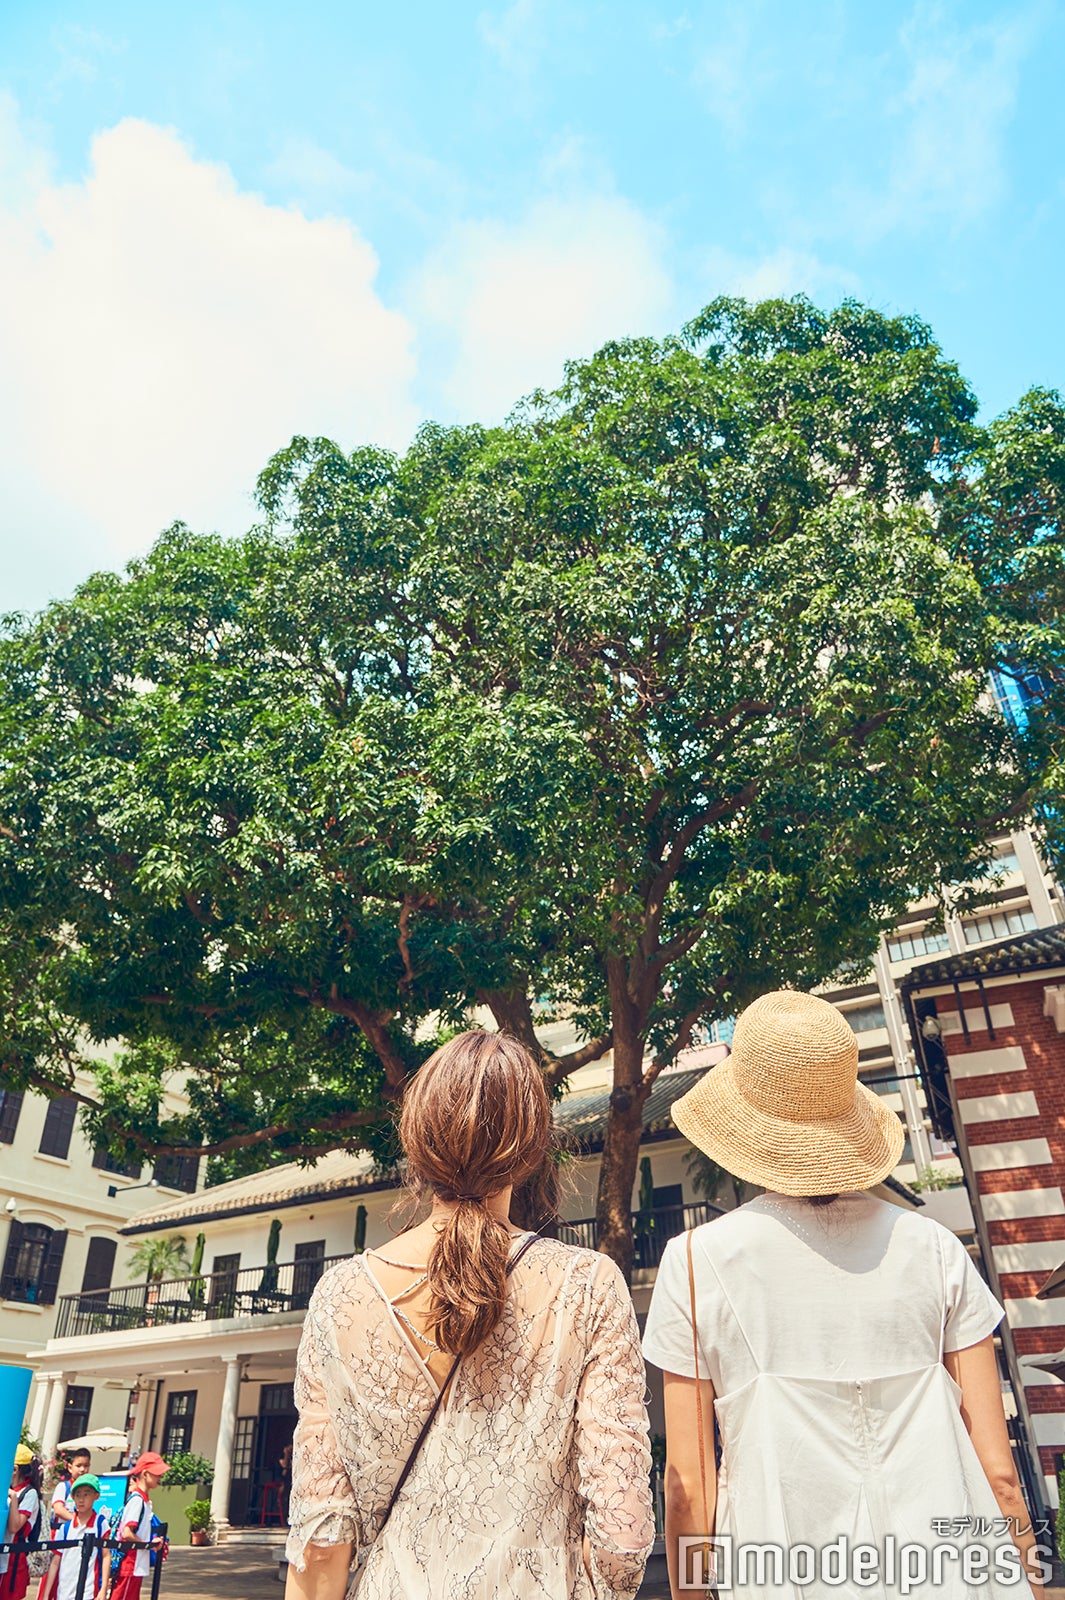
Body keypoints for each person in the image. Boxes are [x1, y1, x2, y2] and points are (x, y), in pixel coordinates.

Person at [643, 989, 1045, 1600]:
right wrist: (1032, 1584)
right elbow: (998, 1473)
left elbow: (688, 1486)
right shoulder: (936, 1249)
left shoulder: (697, 1262)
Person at [285, 1029, 654, 1600]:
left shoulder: (339, 1298)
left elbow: (321, 1539)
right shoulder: (587, 1285)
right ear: (532, 1150)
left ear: (416, 1140)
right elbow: (623, 1536)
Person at [40, 1476, 110, 1600]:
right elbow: (55, 1562)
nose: (81, 1500)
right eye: (77, 1495)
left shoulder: (100, 1524)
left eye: (86, 1494)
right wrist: (46, 1594)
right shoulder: (65, 1529)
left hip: (88, 1591)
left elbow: (106, 1556)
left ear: (96, 1496)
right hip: (64, 1591)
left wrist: (103, 1590)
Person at [109, 1454, 167, 1600]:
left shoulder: (142, 1500)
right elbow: (127, 1533)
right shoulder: (137, 1501)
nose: (160, 1477)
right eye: (157, 1473)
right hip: (130, 1563)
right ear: (145, 1474)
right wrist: (148, 1545)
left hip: (134, 1565)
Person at [1, 1447, 42, 1600]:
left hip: (13, 1559)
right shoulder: (9, 1489)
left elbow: (14, 1527)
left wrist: (13, 1500)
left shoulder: (29, 1493)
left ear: (15, 1469)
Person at [47, 1454, 91, 1534]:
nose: (82, 1469)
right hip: (62, 1533)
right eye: (78, 1466)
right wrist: (77, 1521)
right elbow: (58, 1509)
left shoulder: (90, 1490)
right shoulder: (63, 1487)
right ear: (70, 1468)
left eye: (86, 1466)